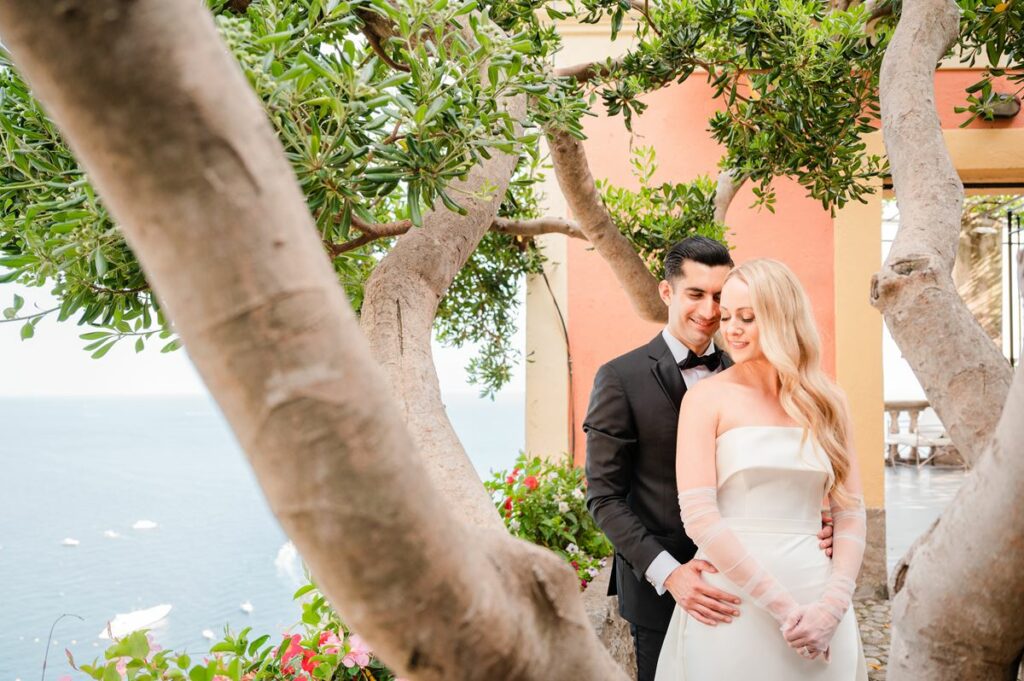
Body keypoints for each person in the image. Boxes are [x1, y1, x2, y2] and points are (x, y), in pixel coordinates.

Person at [584, 239, 834, 681]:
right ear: (667, 293)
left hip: (761, 576)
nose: (711, 309)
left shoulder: (758, 371)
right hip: (670, 588)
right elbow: (604, 497)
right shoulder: (620, 378)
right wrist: (672, 574)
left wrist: (818, 516)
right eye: (695, 294)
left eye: (721, 296)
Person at [655, 258, 868, 680]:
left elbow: (850, 512)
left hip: (818, 595)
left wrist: (832, 607)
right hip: (734, 603)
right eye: (728, 316)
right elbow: (699, 517)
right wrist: (785, 609)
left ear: (782, 318)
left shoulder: (829, 401)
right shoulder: (705, 400)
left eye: (748, 318)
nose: (731, 328)